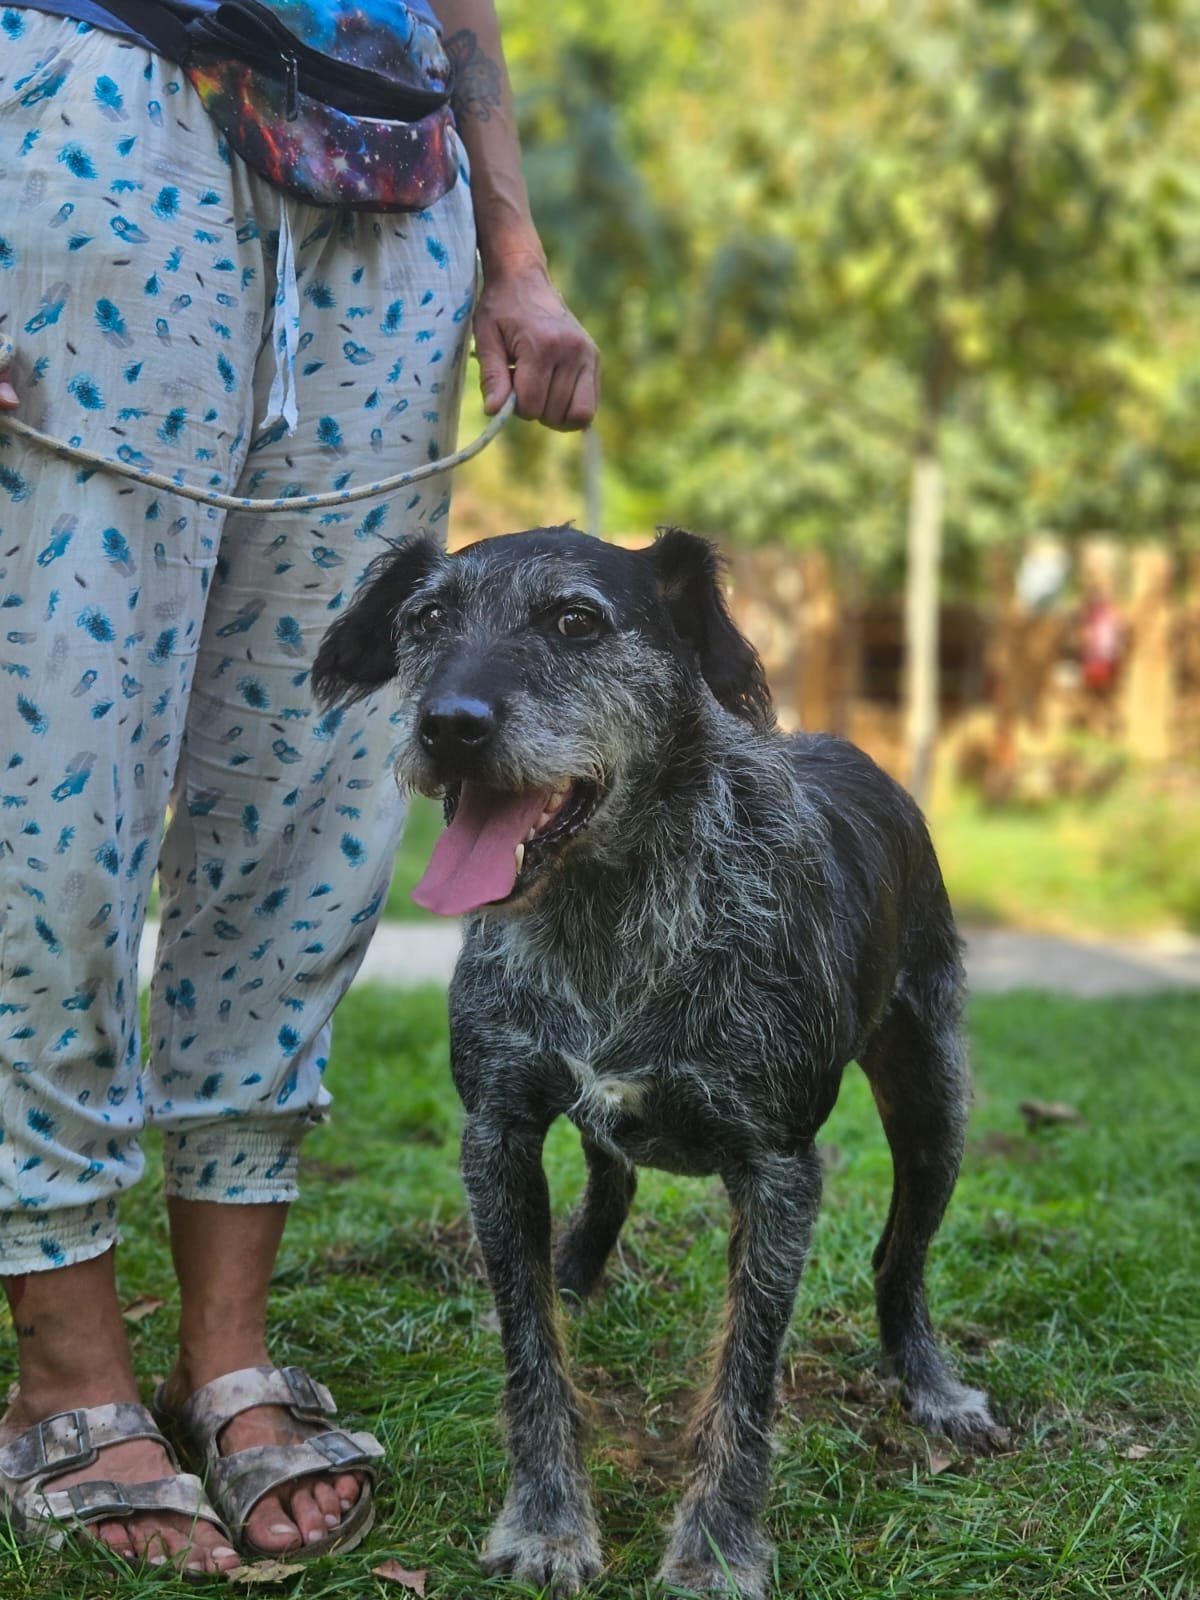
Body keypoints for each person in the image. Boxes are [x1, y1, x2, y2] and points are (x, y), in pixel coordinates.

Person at [0, 0, 598, 1575]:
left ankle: (227, 1353)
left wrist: (514, 253)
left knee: (315, 793)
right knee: (53, 798)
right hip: (86, 122)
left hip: (386, 179)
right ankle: (66, 1367)